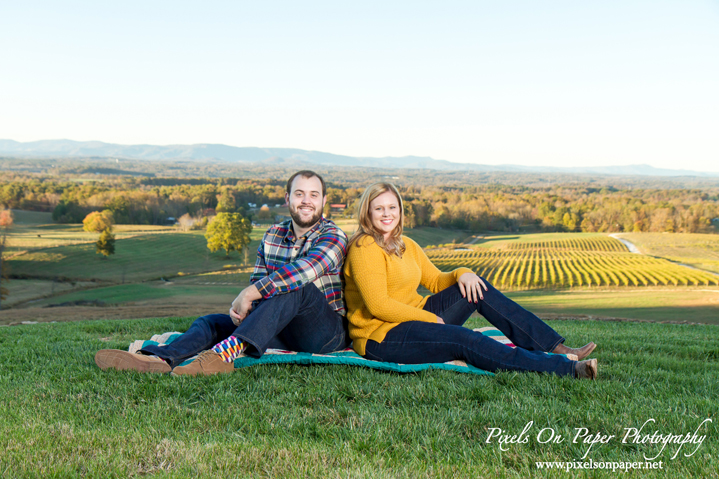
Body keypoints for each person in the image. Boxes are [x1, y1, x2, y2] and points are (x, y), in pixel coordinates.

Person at [95, 170, 350, 376]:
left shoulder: (334, 236)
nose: (306, 200)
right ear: (287, 198)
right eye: (300, 193)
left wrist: (249, 293)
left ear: (323, 201)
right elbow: (259, 282)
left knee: (297, 287)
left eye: (314, 195)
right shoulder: (272, 235)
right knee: (211, 322)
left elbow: (304, 271)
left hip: (324, 335)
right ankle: (160, 359)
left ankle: (222, 356)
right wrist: (244, 312)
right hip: (280, 329)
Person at [343, 182, 598, 379]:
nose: (387, 214)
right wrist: (431, 319)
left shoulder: (405, 244)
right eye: (379, 208)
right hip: (381, 336)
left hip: (416, 316)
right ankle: (566, 368)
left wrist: (463, 272)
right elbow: (379, 306)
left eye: (392, 207)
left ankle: (555, 347)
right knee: (463, 339)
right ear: (367, 212)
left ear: (400, 210)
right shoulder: (365, 247)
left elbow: (436, 281)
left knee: (477, 288)